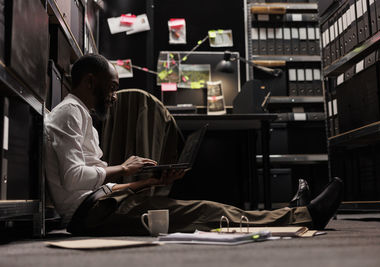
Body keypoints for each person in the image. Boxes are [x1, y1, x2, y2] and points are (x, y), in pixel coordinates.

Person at [45, 54, 343, 236]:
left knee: (204, 208)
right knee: (203, 211)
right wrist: (124, 168)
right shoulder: (71, 113)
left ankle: (292, 215)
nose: (113, 97)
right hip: (92, 216)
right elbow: (74, 179)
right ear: (89, 81)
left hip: (99, 207)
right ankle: (306, 216)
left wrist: (147, 181)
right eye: (111, 88)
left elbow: (95, 189)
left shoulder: (77, 113)